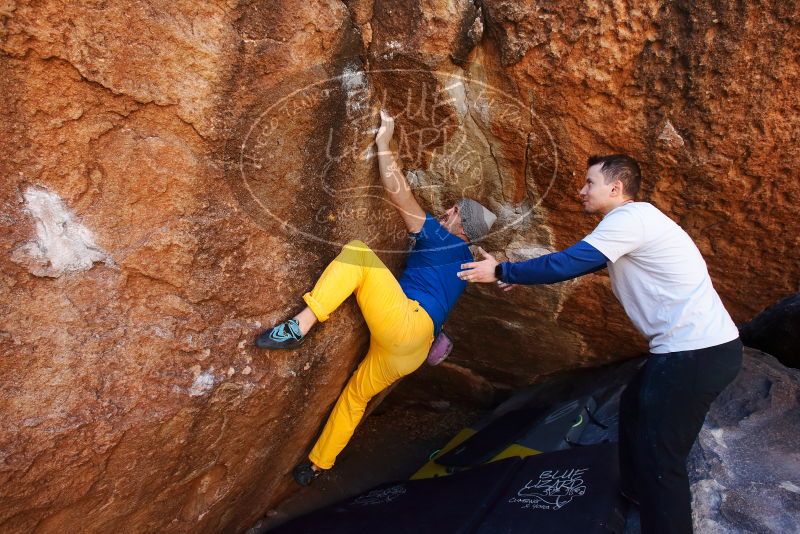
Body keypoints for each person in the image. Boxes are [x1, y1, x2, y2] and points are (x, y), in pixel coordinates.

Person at [458, 154, 742, 534]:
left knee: (663, 459)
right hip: (688, 351)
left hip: (694, 354)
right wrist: (519, 274)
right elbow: (582, 261)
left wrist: (502, 271)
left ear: (616, 187)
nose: (581, 190)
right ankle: (636, 491)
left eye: (589, 182)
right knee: (633, 409)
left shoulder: (630, 219)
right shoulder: (632, 224)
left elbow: (571, 263)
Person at [255, 110, 497, 486]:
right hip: (411, 353)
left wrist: (384, 141)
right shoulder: (466, 263)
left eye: (452, 211)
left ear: (461, 225)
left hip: (406, 323)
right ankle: (318, 464)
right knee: (355, 397)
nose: (445, 211)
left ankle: (300, 325)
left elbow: (397, 190)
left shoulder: (440, 237)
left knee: (357, 252)